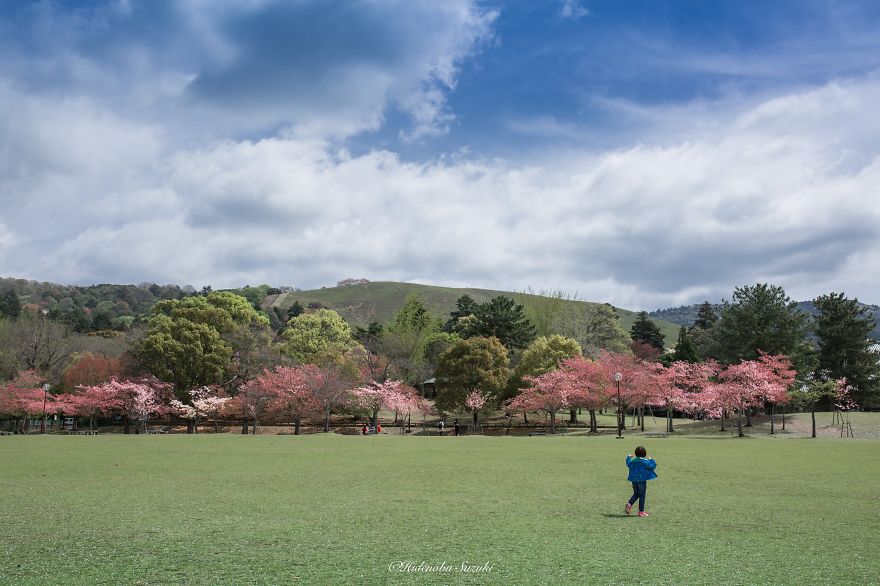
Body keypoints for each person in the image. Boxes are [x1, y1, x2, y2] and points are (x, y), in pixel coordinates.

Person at [625, 446, 658, 517]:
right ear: (644, 453)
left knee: (636, 493)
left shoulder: (633, 461)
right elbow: (653, 466)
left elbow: (628, 463)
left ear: (636, 453)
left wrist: (628, 457)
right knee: (642, 495)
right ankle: (641, 512)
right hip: (641, 480)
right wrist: (651, 459)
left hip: (634, 480)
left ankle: (629, 504)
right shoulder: (645, 461)